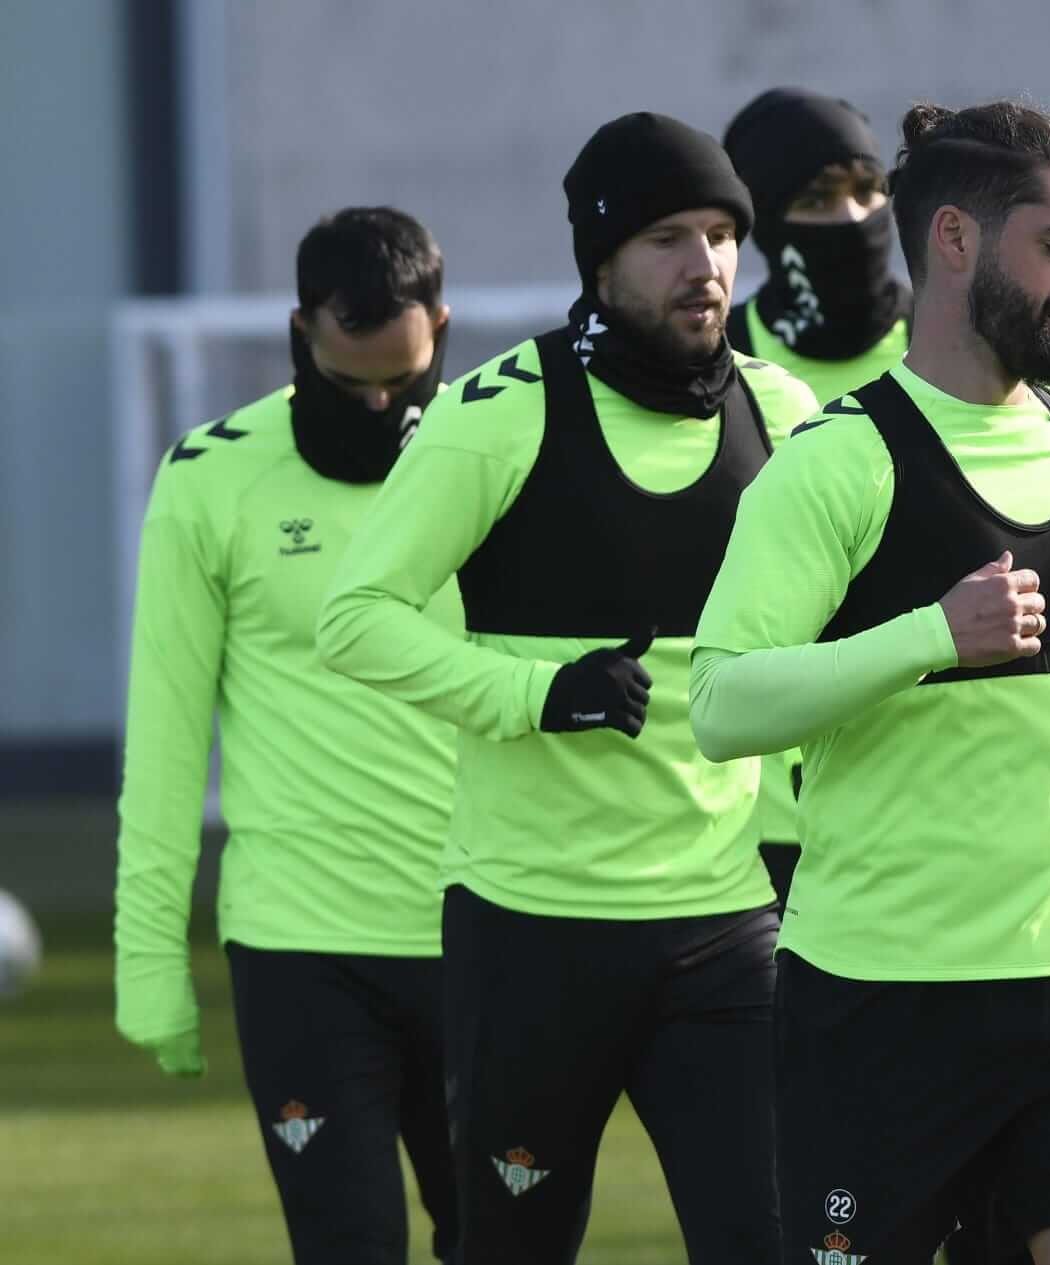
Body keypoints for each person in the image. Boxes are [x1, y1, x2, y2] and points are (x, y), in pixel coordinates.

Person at [691, 99, 1050, 1265]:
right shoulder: (836, 461)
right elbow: (720, 704)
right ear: (954, 240)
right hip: (887, 996)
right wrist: (927, 632)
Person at [315, 113, 818, 1265]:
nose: (706, 265)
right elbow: (354, 621)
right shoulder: (498, 413)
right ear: (600, 260)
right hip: (531, 939)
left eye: (722, 235)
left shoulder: (784, 415)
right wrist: (538, 692)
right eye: (667, 239)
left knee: (778, 1242)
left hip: (728, 931)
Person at [114, 206, 461, 1265]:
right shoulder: (210, 478)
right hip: (301, 949)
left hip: (490, 932)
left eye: (404, 381)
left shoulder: (496, 457)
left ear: (441, 328)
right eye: (352, 379)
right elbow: (166, 735)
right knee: (348, 1244)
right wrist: (145, 957)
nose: (380, 404)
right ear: (300, 329)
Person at [722, 85, 913, 908]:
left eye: (868, 191)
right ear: (761, 222)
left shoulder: (956, 351)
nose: (852, 218)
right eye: (814, 198)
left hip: (926, 788)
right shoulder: (716, 364)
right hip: (762, 818)